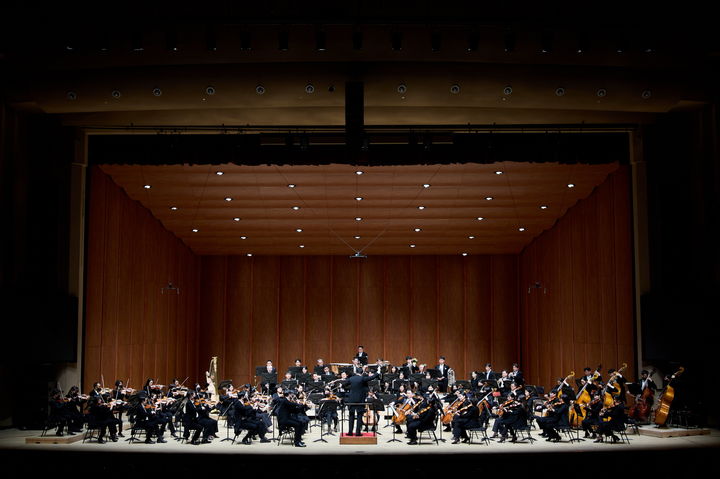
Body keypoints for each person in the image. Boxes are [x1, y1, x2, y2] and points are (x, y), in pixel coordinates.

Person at [338, 366, 380, 436]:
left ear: (356, 372)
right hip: (360, 399)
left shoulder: (351, 378)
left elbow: (343, 385)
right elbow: (371, 378)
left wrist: (347, 388)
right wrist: (377, 372)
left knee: (351, 415)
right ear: (361, 373)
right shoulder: (362, 378)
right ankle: (358, 432)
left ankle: (350, 432)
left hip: (351, 400)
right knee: (359, 415)